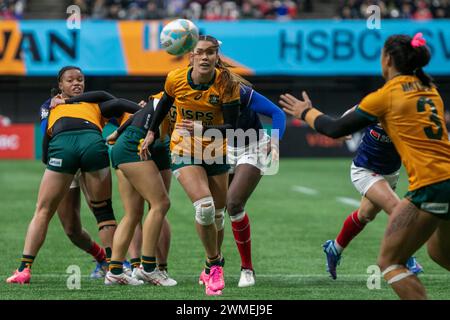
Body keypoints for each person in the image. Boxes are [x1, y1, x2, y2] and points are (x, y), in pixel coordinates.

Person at [280, 33, 450, 299]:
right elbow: (351, 117)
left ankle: (341, 249)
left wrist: (305, 112)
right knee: (440, 254)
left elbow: (335, 129)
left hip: (430, 185)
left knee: (390, 260)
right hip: (386, 172)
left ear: (388, 59)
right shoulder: (431, 92)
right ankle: (344, 249)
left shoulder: (386, 97)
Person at [139, 35, 243, 296]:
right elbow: (164, 105)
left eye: (211, 52)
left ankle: (210, 263)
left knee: (218, 217)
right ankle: (216, 264)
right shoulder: (175, 78)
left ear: (217, 57)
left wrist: (202, 128)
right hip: (184, 150)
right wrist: (151, 132)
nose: (205, 57)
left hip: (215, 152)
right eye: (200, 52)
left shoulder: (228, 84)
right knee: (205, 208)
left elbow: (233, 129)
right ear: (192, 56)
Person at [6, 89, 140, 284]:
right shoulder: (51, 104)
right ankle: (105, 260)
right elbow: (47, 131)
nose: (76, 83)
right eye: (70, 80)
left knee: (101, 211)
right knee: (72, 229)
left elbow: (115, 105)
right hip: (67, 154)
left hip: (76, 151)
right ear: (60, 86)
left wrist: (139, 114)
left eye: (80, 80)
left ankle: (119, 264)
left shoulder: (93, 105)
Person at [200, 85, 286, 288]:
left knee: (234, 203)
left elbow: (277, 113)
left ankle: (247, 268)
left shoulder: (240, 92)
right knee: (215, 209)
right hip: (220, 147)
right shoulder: (196, 94)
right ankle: (213, 264)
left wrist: (274, 141)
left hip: (252, 146)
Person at [321, 111, 423, 279]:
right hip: (365, 170)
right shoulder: (378, 104)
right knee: (398, 209)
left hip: (390, 173)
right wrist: (342, 127)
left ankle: (335, 248)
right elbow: (352, 112)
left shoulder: (409, 112)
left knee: (365, 215)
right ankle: (404, 257)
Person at [103, 93, 175, 286]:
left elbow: (139, 114)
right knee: (160, 204)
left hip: (135, 144)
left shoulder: (173, 99)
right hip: (135, 145)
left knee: (133, 213)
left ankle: (115, 271)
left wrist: (117, 133)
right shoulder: (170, 96)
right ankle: (149, 268)